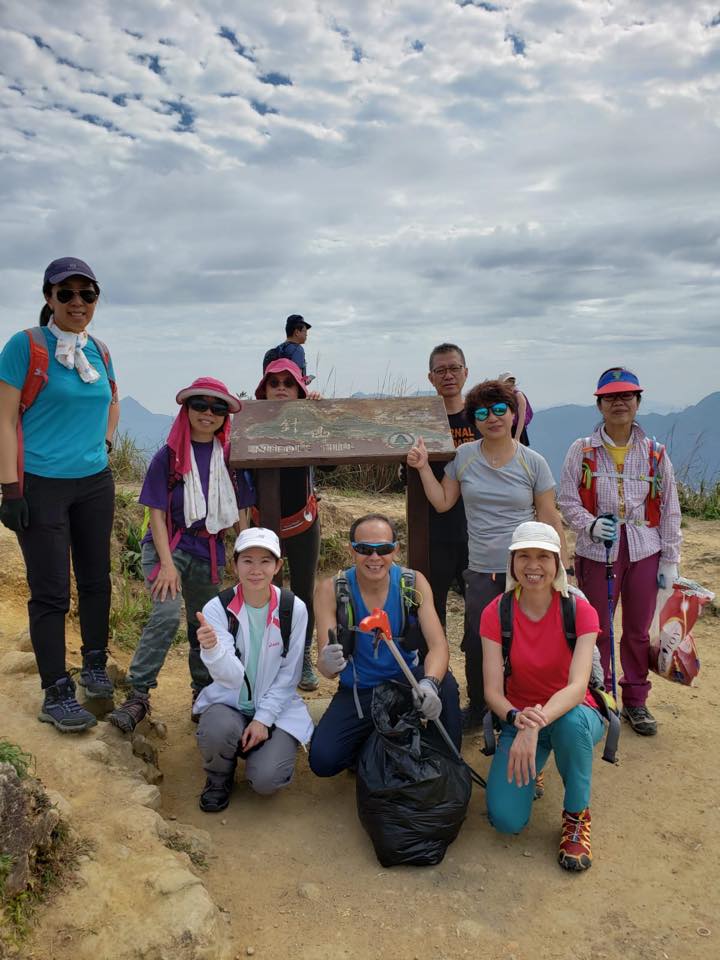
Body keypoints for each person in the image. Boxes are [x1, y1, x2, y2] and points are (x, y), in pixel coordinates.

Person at [407, 379, 568, 732]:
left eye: (499, 410)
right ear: (473, 419)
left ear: (513, 414)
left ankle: (527, 707)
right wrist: (421, 469)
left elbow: (549, 517)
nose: (492, 417)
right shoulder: (464, 456)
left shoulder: (533, 462)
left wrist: (563, 569)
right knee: (480, 643)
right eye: (482, 412)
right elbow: (442, 501)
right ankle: (481, 706)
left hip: (529, 570)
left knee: (530, 641)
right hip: (481, 569)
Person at [0, 257, 119, 732]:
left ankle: (94, 663)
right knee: (50, 591)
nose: (77, 303)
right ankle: (55, 690)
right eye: (65, 293)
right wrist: (10, 488)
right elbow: (5, 420)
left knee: (96, 579)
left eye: (87, 294)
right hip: (42, 484)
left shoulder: (101, 351)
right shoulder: (25, 345)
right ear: (48, 298)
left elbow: (111, 400)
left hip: (94, 482)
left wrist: (105, 446)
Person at [109, 377, 254, 732]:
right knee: (166, 614)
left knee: (203, 625)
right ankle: (139, 695)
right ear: (186, 410)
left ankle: (202, 691)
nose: (208, 413)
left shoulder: (232, 460)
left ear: (225, 416)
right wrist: (168, 565)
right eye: (199, 405)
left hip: (209, 552)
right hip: (168, 547)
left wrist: (245, 557)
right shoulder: (169, 456)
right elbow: (156, 514)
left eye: (217, 408)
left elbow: (242, 512)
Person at [558, 367, 682, 737]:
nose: (619, 403)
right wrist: (590, 524)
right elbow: (567, 498)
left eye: (627, 396)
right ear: (599, 404)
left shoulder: (656, 453)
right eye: (611, 397)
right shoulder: (582, 451)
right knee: (595, 628)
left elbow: (670, 506)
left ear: (638, 402)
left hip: (644, 549)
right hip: (599, 551)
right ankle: (599, 692)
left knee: (638, 630)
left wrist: (670, 559)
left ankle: (636, 699)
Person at [481, 521, 604, 872]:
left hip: (573, 711)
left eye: (542, 557)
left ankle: (577, 816)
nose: (533, 566)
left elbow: (578, 687)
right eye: (524, 556)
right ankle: (535, 764)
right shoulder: (497, 612)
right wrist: (518, 720)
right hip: (519, 717)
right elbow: (492, 690)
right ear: (512, 562)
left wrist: (534, 724)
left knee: (571, 725)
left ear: (558, 563)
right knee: (506, 820)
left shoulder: (579, 610)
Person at [309, 513, 461, 776]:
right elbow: (328, 670)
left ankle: (444, 760)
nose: (375, 558)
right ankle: (377, 741)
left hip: (406, 685)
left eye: (384, 549)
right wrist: (326, 662)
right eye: (364, 549)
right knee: (324, 761)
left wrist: (429, 684)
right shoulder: (330, 590)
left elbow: (438, 646)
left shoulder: (413, 584)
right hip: (360, 692)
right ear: (351, 550)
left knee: (445, 685)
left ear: (396, 550)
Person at [193, 527, 313, 812]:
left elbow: (289, 674)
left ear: (278, 566)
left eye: (265, 561)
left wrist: (263, 719)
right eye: (247, 560)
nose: (256, 570)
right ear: (235, 565)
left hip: (277, 707)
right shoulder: (217, 608)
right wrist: (211, 650)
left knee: (267, 780)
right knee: (217, 730)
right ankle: (219, 776)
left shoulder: (293, 608)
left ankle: (263, 750)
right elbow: (231, 676)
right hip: (230, 701)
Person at [253, 359, 322, 690]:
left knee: (303, 593)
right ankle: (270, 658)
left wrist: (322, 416)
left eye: (288, 382)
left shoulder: (309, 423)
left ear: (299, 390)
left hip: (304, 523)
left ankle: (302, 657)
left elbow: (331, 467)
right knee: (265, 592)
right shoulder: (249, 425)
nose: (280, 387)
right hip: (261, 524)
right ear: (263, 390)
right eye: (274, 382)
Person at [425, 343, 480, 627]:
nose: (448, 375)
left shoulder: (482, 419)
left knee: (480, 610)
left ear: (466, 372)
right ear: (430, 377)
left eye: (454, 368)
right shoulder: (420, 422)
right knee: (432, 609)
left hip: (478, 529)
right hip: (432, 529)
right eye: (441, 370)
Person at [263, 314, 311, 380]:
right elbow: (297, 378)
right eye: (305, 331)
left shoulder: (277, 350)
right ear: (296, 332)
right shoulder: (297, 350)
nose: (306, 334)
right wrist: (306, 380)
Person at [498, 371, 532, 446]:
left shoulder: (518, 396)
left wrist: (517, 437)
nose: (510, 386)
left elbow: (521, 418)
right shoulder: (501, 397)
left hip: (517, 429)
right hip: (506, 429)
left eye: (511, 383)